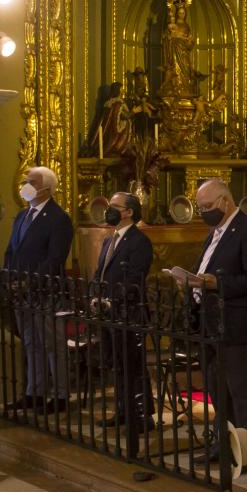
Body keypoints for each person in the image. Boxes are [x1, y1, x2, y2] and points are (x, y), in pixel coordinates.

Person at [189, 179, 247, 470]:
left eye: (207, 206)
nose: (204, 212)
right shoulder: (215, 232)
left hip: (234, 321)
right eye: (200, 208)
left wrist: (217, 282)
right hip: (209, 321)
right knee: (215, 386)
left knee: (240, 387)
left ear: (225, 201)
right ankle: (223, 443)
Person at [3, 166, 74, 414]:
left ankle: (61, 395)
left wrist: (30, 282)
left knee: (53, 344)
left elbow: (55, 258)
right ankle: (35, 391)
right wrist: (9, 278)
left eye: (31, 181)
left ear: (46, 188)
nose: (26, 185)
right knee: (31, 343)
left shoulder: (58, 219)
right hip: (20, 291)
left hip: (45, 291)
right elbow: (12, 250)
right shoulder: (23, 216)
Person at [90, 192, 154, 456]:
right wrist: (96, 295)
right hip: (107, 311)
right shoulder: (109, 239)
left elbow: (134, 276)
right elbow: (101, 272)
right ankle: (123, 409)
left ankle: (143, 414)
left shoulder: (139, 241)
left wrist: (113, 299)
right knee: (116, 363)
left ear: (128, 212)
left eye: (114, 207)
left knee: (133, 364)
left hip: (129, 312)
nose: (109, 211)